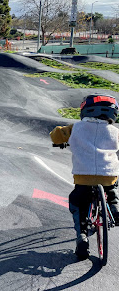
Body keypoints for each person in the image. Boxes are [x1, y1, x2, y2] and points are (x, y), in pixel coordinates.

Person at [50, 94, 119, 260]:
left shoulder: (76, 128)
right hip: (108, 174)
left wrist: (59, 138)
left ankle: (82, 236)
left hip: (84, 176)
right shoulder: (116, 132)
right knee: (112, 189)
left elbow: (56, 135)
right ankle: (114, 207)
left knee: (78, 202)